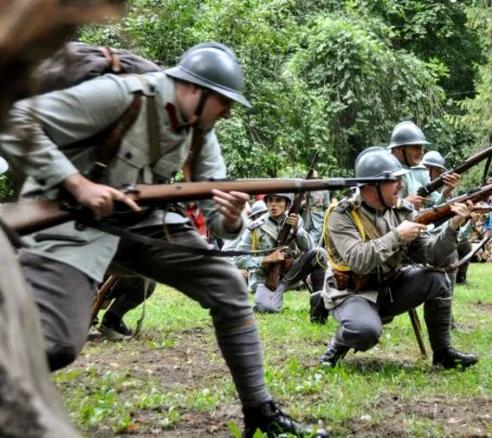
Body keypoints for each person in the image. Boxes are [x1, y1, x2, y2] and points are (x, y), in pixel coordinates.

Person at [0, 42, 327, 437]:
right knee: (55, 343)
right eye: (223, 102)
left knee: (226, 286)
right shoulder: (124, 96)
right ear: (195, 90)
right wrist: (79, 184)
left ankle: (259, 409)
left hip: (141, 221)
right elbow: (16, 121)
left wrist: (231, 218)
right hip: (70, 219)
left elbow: (218, 217)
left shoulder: (200, 132)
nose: (228, 112)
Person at [318, 147, 478, 369]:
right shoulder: (342, 215)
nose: (402, 186)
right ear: (374, 185)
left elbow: (432, 254)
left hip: (389, 286)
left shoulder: (402, 211)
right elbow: (358, 260)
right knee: (365, 331)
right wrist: (397, 236)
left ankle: (443, 353)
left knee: (438, 280)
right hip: (353, 292)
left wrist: (452, 227)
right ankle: (339, 343)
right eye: (395, 181)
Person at [233, 193, 328, 323]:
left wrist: (296, 230)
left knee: (319, 254)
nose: (273, 204)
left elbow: (310, 248)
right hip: (265, 278)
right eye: (270, 200)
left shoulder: (296, 220)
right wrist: (266, 259)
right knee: (266, 308)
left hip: (291, 273)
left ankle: (319, 302)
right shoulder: (255, 227)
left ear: (287, 205)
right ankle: (271, 297)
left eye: (278, 200)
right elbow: (238, 259)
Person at [387, 121, 459, 209]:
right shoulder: (384, 170)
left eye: (421, 147)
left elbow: (431, 208)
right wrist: (403, 203)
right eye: (416, 147)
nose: (421, 152)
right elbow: (374, 205)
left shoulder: (410, 173)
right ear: (398, 148)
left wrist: (445, 193)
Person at [303, 169, 331, 245]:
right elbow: (297, 206)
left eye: (315, 178)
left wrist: (325, 220)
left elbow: (327, 207)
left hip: (318, 218)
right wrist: (306, 201)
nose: (313, 180)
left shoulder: (324, 190)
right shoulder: (303, 190)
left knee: (315, 239)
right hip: (305, 217)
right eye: (311, 179)